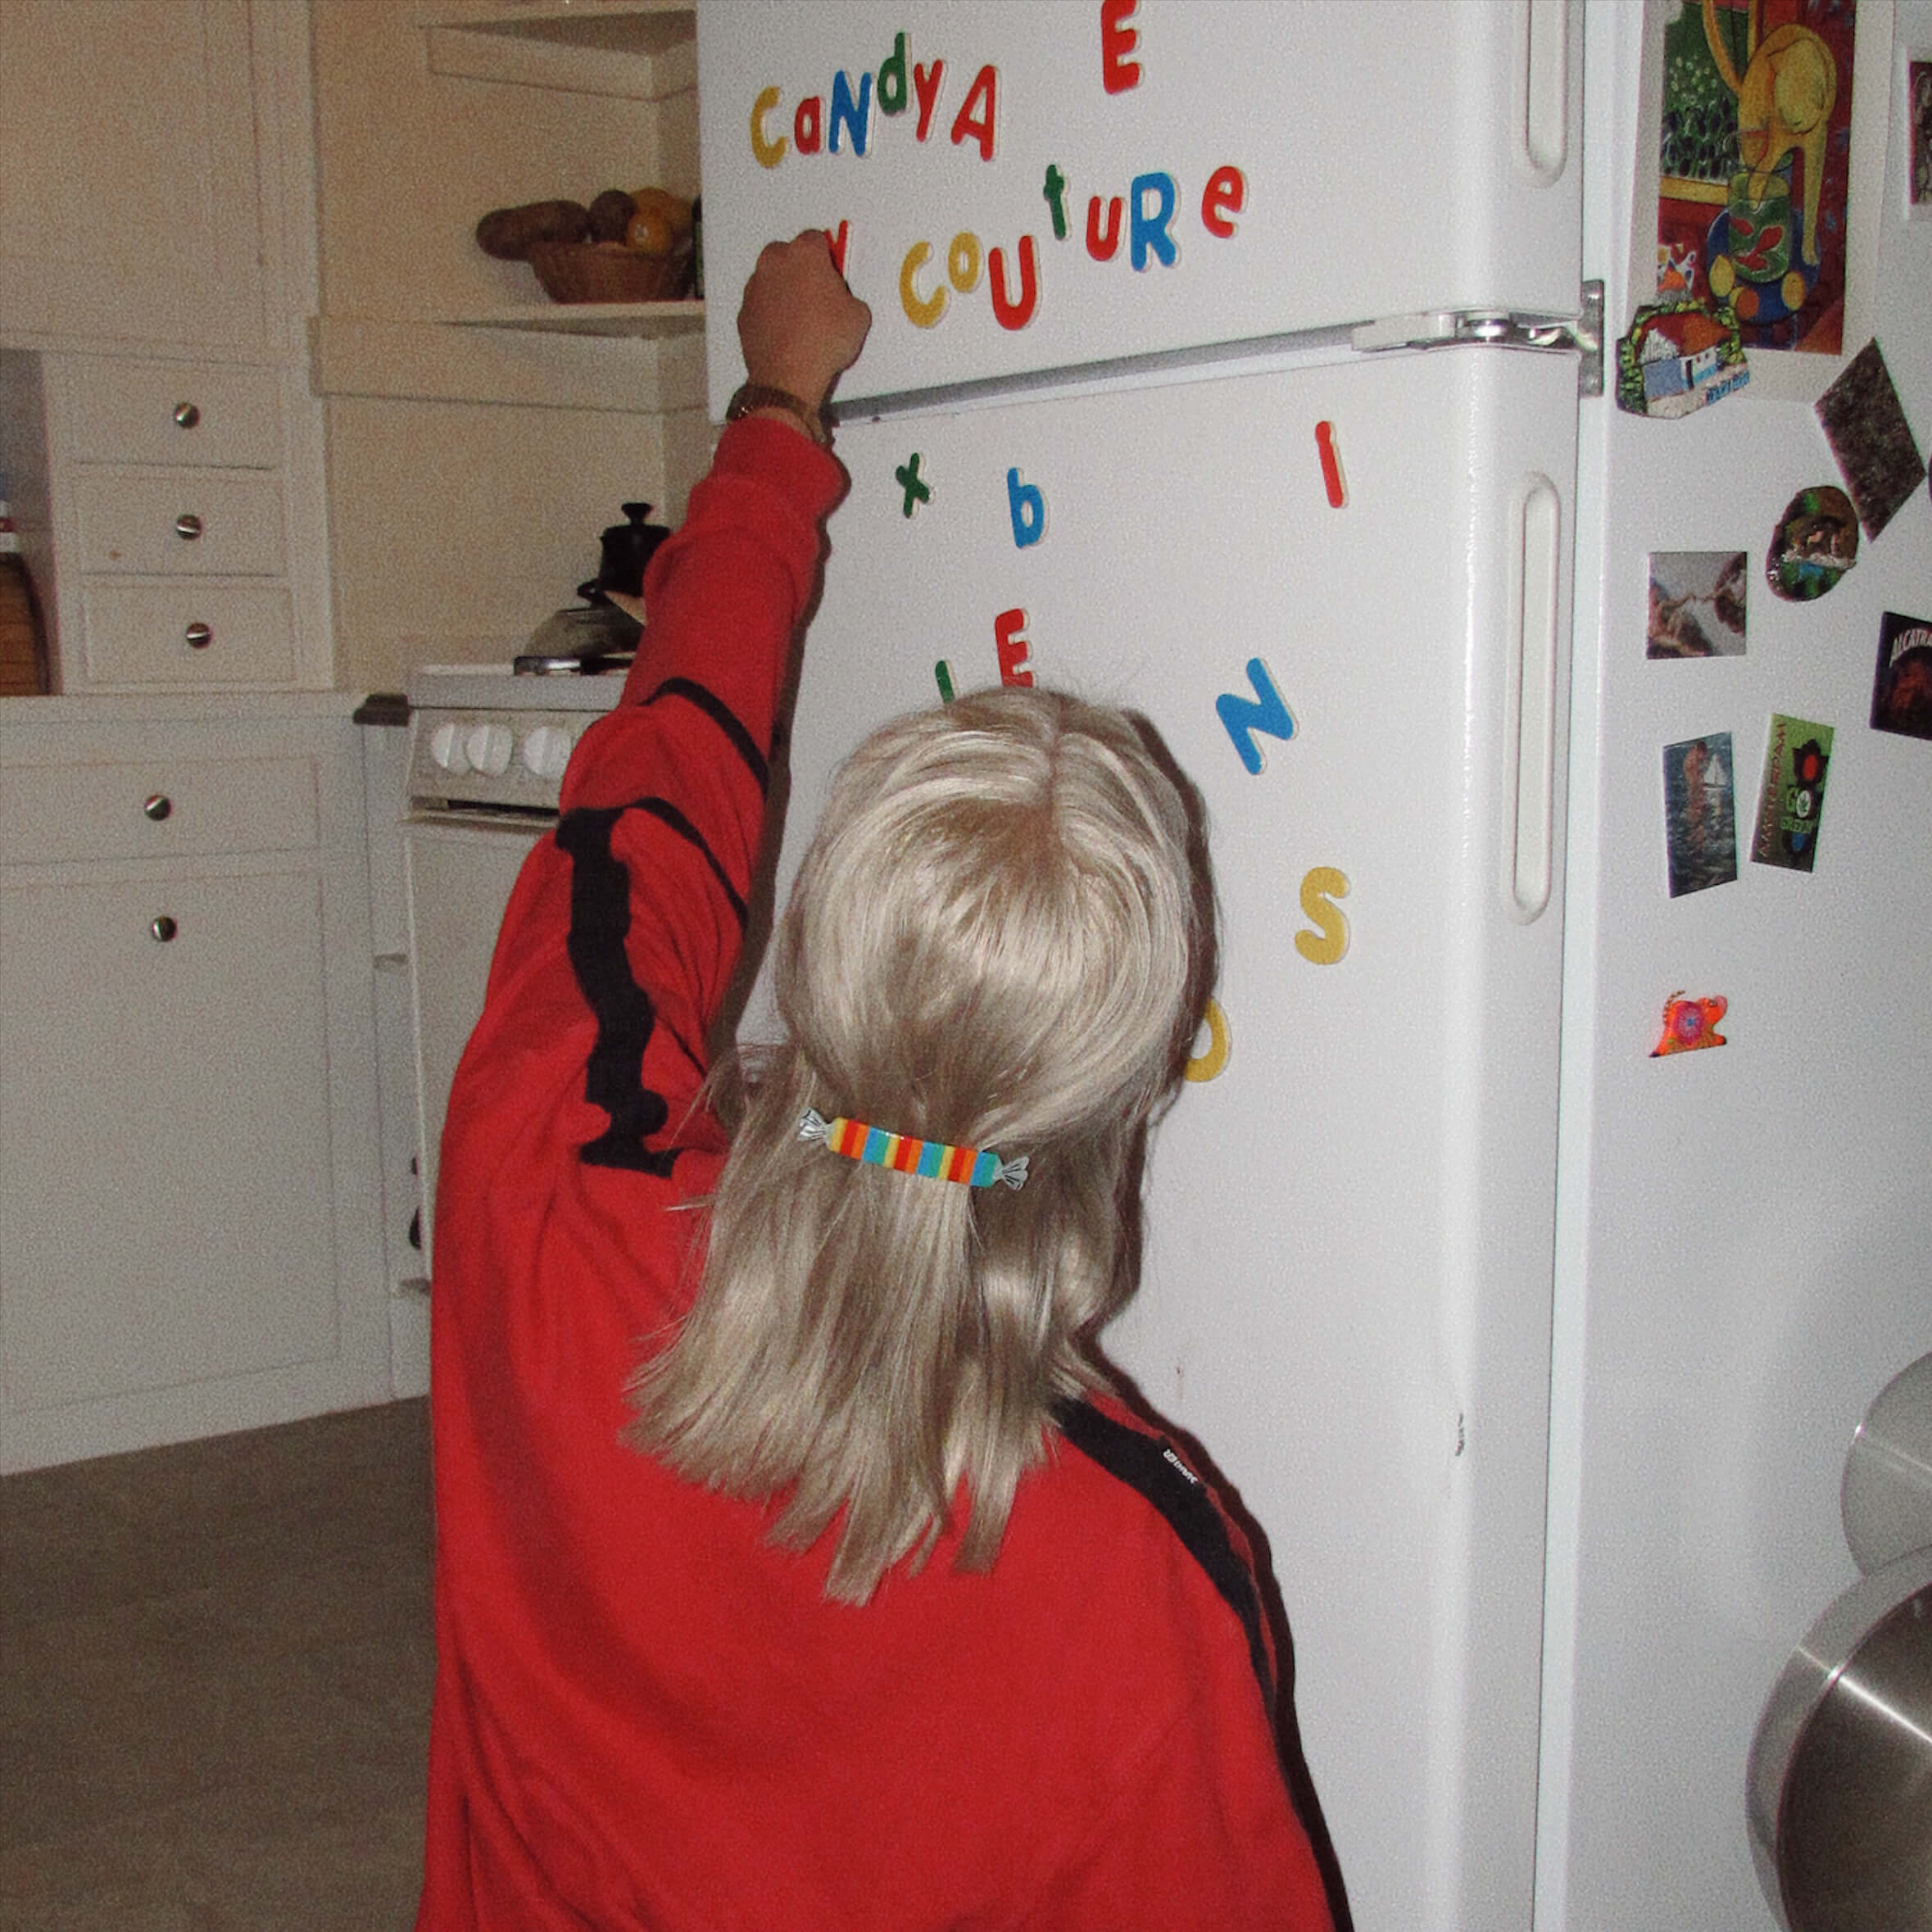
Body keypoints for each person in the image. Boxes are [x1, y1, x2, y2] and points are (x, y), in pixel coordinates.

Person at [419, 231, 1337, 1931]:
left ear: (818, 953)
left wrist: (779, 409)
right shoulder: (1147, 1564)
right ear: (1127, 1096)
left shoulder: (536, 1182)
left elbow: (661, 782)